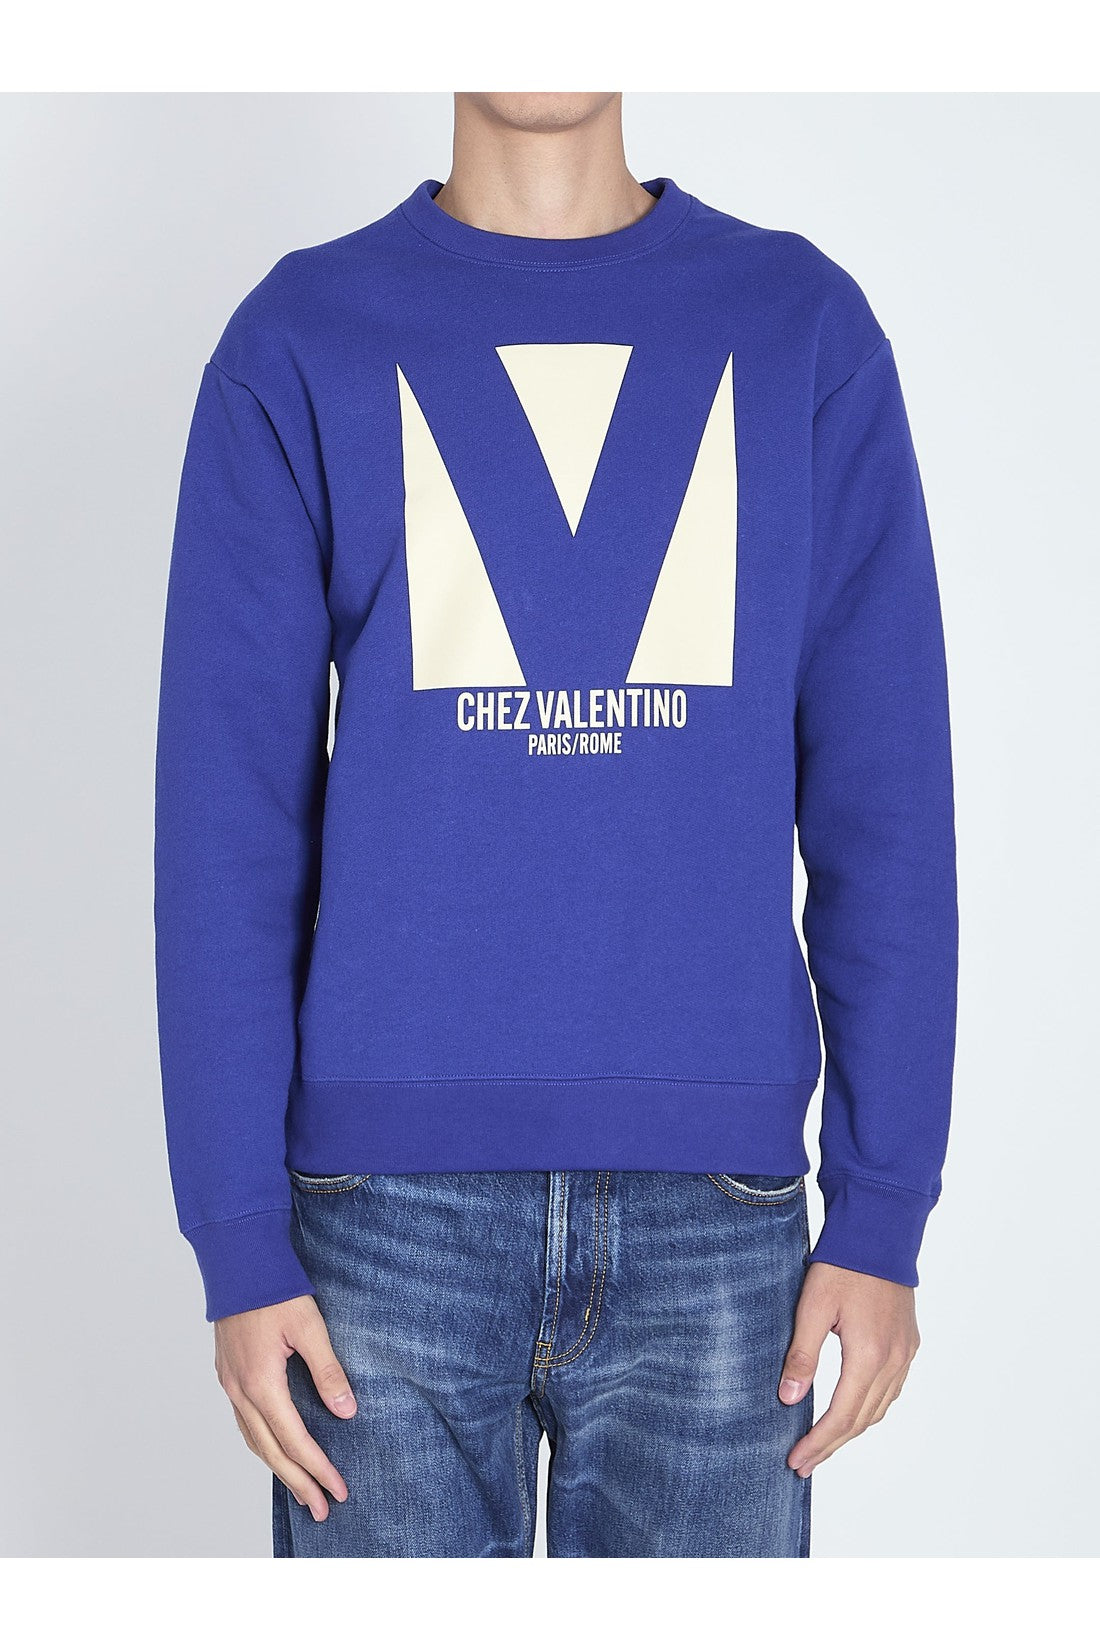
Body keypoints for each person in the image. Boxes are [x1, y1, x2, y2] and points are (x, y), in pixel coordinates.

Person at [154, 92, 958, 1558]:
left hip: (719, 1222)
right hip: (378, 1226)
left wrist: (884, 1205)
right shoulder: (303, 336)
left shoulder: (798, 327)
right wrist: (236, 1235)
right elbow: (227, 823)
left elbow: (886, 797)